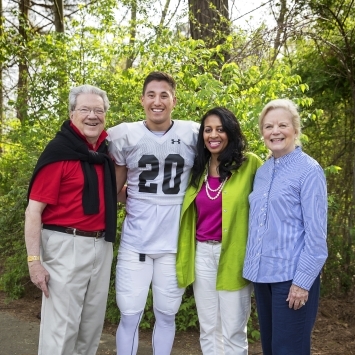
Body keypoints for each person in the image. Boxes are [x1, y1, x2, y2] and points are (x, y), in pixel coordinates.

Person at [107, 71, 200, 355]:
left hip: (174, 244)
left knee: (166, 314)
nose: (157, 101)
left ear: (174, 100)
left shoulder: (193, 134)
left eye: (163, 95)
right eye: (151, 95)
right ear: (142, 99)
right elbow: (115, 190)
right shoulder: (125, 135)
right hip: (137, 242)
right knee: (130, 315)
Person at [24, 84, 117, 355]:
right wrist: (34, 262)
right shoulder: (59, 153)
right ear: (72, 113)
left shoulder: (103, 155)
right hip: (65, 245)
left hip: (101, 246)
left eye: (98, 110)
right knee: (61, 331)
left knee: (90, 328)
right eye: (85, 109)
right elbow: (33, 212)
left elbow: (112, 194)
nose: (92, 116)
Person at [243, 99, 328, 355]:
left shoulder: (309, 171)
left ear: (295, 130)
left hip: (292, 279)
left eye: (282, 125)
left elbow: (316, 235)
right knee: (270, 348)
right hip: (263, 277)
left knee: (288, 350)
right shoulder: (263, 171)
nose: (275, 131)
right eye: (268, 126)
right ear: (262, 133)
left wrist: (302, 283)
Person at [176, 107, 262, 355]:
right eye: (208, 129)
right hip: (202, 255)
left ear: (231, 132)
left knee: (234, 330)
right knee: (209, 328)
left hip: (234, 256)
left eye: (220, 129)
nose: (214, 135)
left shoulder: (250, 164)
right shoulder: (198, 168)